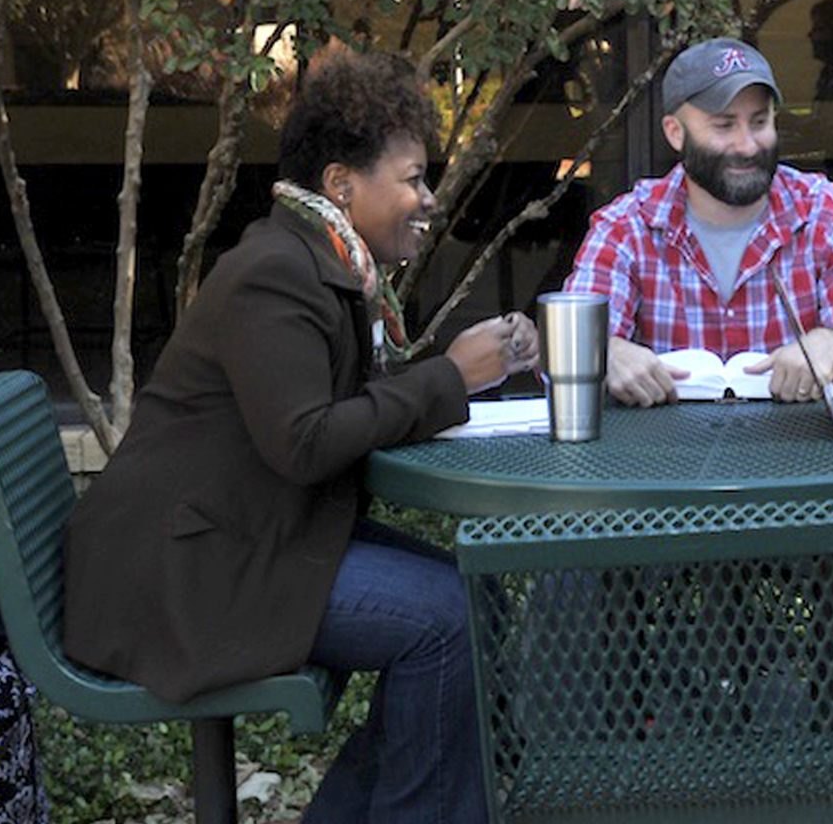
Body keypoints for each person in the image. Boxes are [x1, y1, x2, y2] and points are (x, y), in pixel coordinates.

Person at [64, 50, 538, 824]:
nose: (427, 201)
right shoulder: (275, 274)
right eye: (413, 179)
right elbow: (305, 442)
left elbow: (337, 411)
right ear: (341, 186)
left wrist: (449, 373)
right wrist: (450, 375)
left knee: (474, 599)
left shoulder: (322, 264)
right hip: (193, 573)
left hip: (251, 538)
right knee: (446, 623)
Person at [562, 37, 833, 824]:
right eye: (724, 124)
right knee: (563, 569)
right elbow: (573, 341)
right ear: (676, 132)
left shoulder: (827, 211)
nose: (749, 142)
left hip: (821, 492)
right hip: (657, 500)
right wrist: (608, 350)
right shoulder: (627, 224)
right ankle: (581, 795)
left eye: (760, 120)